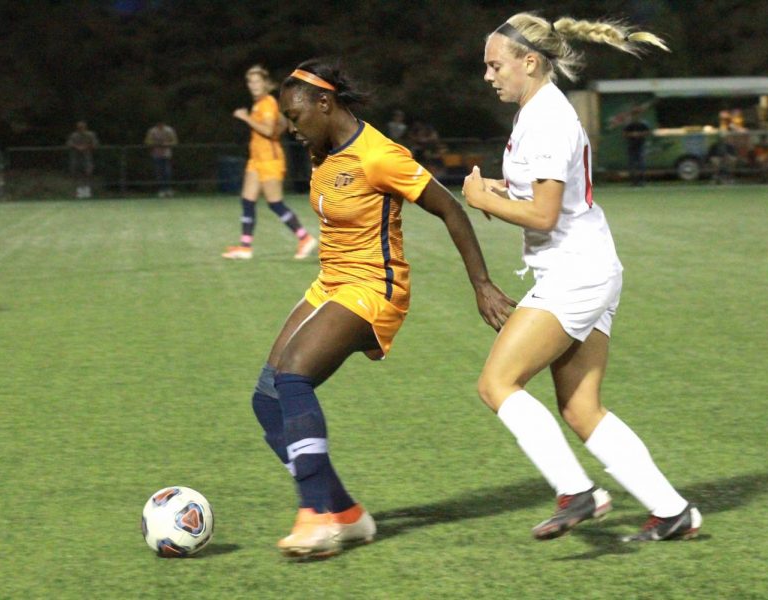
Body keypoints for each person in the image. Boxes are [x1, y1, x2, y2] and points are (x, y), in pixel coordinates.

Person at [252, 58, 514, 559]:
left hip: (375, 287)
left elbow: (449, 208)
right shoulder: (320, 150)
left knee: (294, 377)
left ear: (325, 104)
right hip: (331, 283)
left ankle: (315, 516)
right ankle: (345, 515)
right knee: (267, 400)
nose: (291, 125)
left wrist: (481, 283)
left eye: (295, 114)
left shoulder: (379, 155)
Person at [462, 12, 702, 543]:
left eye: (494, 64)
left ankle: (577, 493)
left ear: (529, 62)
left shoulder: (547, 119)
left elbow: (545, 215)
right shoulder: (540, 112)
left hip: (575, 275)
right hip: (589, 266)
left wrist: (482, 200)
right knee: (580, 407)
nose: (488, 75)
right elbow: (548, 198)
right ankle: (672, 511)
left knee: (497, 383)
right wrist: (501, 192)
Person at [222, 65, 317, 260]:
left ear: (265, 83)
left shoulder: (267, 103)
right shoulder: (261, 103)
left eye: (257, 81)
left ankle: (305, 238)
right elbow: (280, 125)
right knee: (247, 201)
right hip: (256, 159)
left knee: (275, 203)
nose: (253, 85)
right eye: (250, 81)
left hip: (269, 160)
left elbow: (266, 130)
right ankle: (245, 247)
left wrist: (245, 117)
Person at [144, 121, 178, 197]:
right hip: (156, 154)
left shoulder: (169, 130)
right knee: (159, 172)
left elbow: (175, 142)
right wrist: (155, 143)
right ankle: (161, 190)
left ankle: (168, 189)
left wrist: (166, 144)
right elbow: (147, 141)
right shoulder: (152, 131)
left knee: (167, 172)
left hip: (166, 154)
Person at [66, 121, 98, 198]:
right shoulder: (74, 135)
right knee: (77, 175)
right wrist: (77, 147)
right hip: (76, 158)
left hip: (87, 158)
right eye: (79, 127)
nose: (80, 129)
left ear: (85, 127)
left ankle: (87, 193)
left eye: (82, 127)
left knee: (88, 174)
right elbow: (69, 144)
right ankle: (79, 194)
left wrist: (85, 147)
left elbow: (95, 144)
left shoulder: (90, 135)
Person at [622, 109, 651, 186]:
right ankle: (633, 181)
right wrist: (632, 135)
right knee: (632, 164)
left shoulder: (642, 124)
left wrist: (639, 134)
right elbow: (624, 134)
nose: (636, 117)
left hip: (640, 145)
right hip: (631, 146)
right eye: (634, 115)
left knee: (641, 164)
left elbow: (647, 132)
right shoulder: (630, 125)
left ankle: (642, 180)